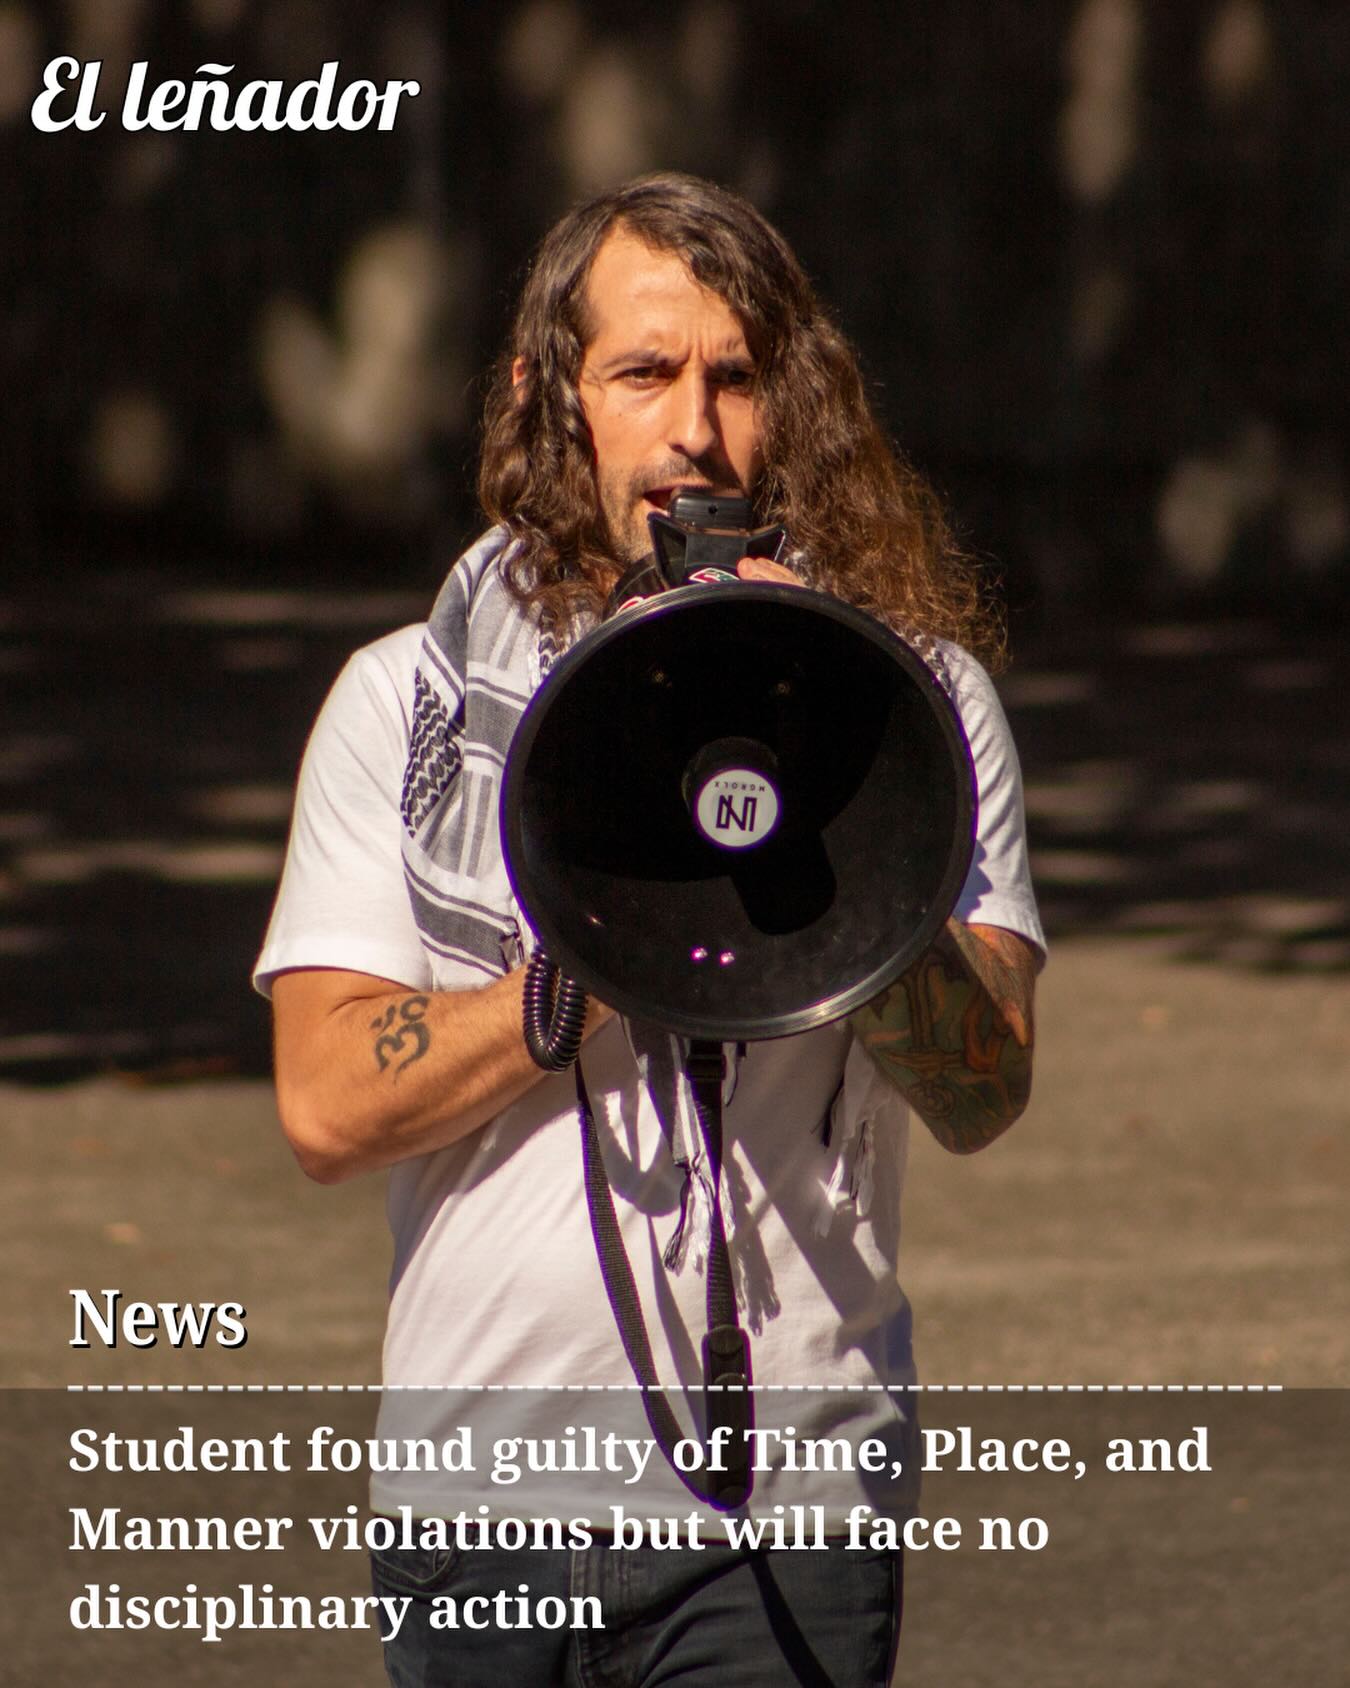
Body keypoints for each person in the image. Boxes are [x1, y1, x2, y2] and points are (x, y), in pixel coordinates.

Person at [255, 172, 1044, 1688]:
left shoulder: (918, 709)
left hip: (786, 1503)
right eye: (643, 372)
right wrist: (589, 952)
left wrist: (823, 816)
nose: (694, 430)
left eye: (736, 379)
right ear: (550, 401)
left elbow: (983, 1086)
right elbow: (325, 1103)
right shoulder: (402, 705)